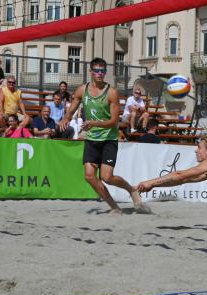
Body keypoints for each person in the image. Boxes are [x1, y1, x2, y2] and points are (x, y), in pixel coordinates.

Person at [59, 57, 150, 214]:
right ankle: (114, 207)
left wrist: (93, 123)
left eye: (103, 71)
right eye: (97, 70)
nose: (100, 73)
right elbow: (72, 108)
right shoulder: (82, 90)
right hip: (92, 138)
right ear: (91, 72)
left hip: (108, 138)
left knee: (107, 177)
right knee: (89, 176)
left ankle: (132, 190)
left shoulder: (112, 93)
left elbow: (114, 121)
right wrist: (66, 118)